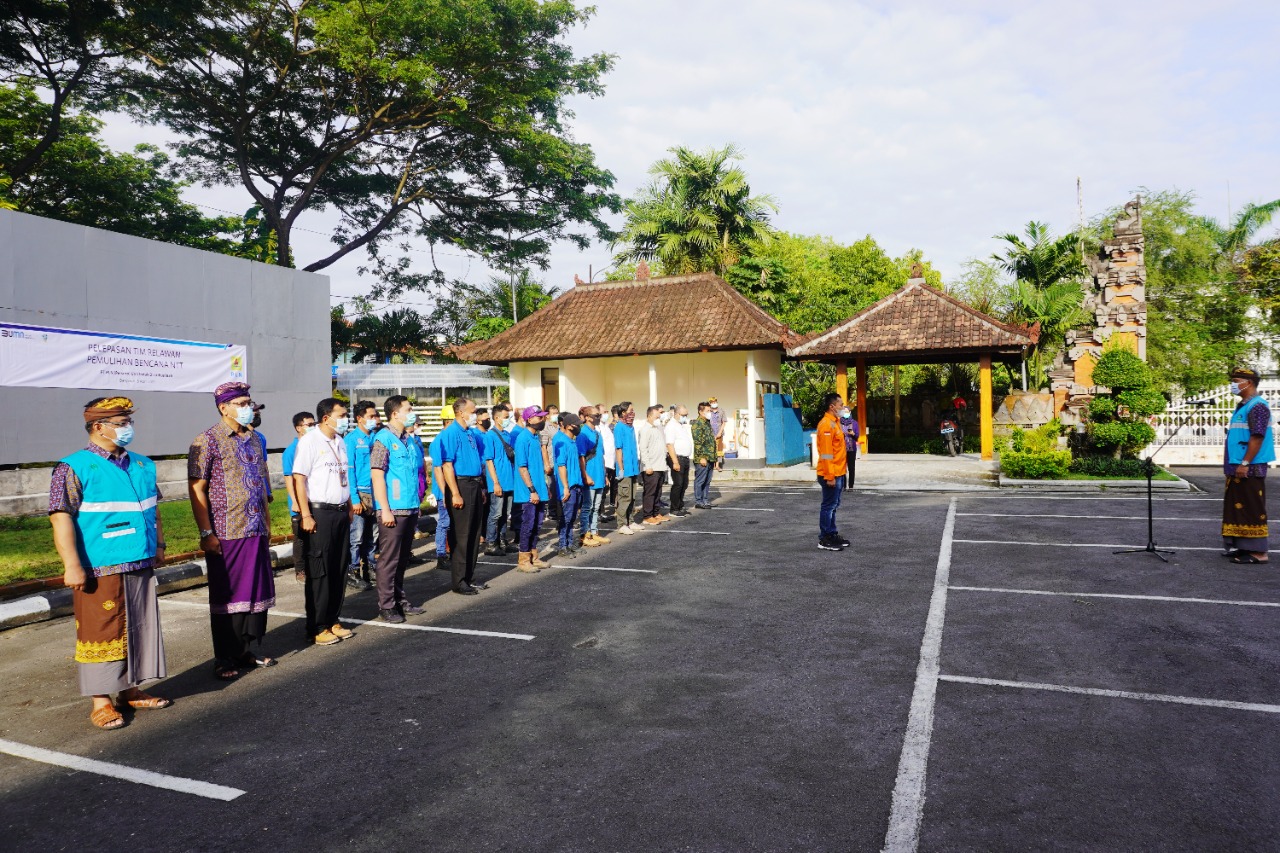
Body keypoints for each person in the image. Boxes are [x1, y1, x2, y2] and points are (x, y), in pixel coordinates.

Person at [50, 397, 171, 730]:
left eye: (128, 420)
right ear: (98, 426)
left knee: (137, 625)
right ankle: (101, 700)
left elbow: (153, 508)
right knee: (101, 629)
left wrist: (159, 544)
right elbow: (61, 517)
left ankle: (130, 689)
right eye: (121, 421)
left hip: (140, 559)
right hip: (100, 564)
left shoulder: (143, 464)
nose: (128, 427)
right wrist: (71, 565)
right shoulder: (73, 467)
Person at [189, 382, 277, 680]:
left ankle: (246, 649)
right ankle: (225, 657)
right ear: (223, 407)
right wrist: (206, 533)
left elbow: (263, 487)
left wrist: (267, 524)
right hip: (226, 530)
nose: (247, 407)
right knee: (228, 595)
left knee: (255, 592)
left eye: (249, 402)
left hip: (255, 528)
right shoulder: (207, 440)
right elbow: (196, 489)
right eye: (241, 402)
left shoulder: (253, 439)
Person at [291, 398, 357, 646]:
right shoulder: (310, 441)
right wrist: (306, 515)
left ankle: (333, 619)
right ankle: (317, 626)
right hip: (320, 513)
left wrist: (349, 505)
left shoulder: (340, 442)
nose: (345, 418)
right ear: (326, 417)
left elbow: (343, 476)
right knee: (321, 570)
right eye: (341, 414)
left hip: (341, 511)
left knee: (339, 567)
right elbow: (299, 479)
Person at [370, 395, 426, 621]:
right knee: (389, 560)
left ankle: (400, 600)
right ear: (395, 414)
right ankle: (387, 606)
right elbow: (377, 475)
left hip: (410, 507)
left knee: (402, 559)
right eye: (409, 409)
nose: (412, 412)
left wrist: (416, 504)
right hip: (393, 510)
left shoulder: (408, 439)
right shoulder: (383, 439)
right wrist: (384, 508)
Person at [1222, 367, 1273, 564]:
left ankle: (1259, 553)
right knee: (1237, 508)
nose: (1233, 384)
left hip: (1250, 467)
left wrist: (1245, 463)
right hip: (1237, 466)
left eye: (1236, 380)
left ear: (1248, 383)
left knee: (1252, 508)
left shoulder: (1258, 406)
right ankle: (1243, 547)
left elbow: (1257, 437)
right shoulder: (1244, 405)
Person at [437, 397, 487, 595]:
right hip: (461, 484)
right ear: (461, 412)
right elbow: (447, 465)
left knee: (474, 533)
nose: (475, 414)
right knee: (462, 535)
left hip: (474, 484)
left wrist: (482, 488)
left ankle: (469, 576)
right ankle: (459, 581)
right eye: (472, 411)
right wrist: (455, 493)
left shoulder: (470, 433)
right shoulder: (451, 433)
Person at [344, 400, 380, 591]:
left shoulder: (375, 438)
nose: (375, 419)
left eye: (376, 415)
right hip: (360, 493)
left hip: (375, 493)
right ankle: (353, 571)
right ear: (359, 418)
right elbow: (349, 471)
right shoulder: (351, 440)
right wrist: (355, 500)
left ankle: (371, 569)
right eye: (371, 416)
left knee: (372, 536)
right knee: (356, 538)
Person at [513, 406, 550, 572]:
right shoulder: (523, 438)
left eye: (542, 417)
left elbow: (538, 466)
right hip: (529, 492)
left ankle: (534, 557)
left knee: (537, 524)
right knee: (528, 525)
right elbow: (522, 468)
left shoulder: (535, 437)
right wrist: (532, 490)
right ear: (529, 419)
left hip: (539, 489)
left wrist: (543, 487)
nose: (542, 420)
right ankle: (523, 559)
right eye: (539, 417)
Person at [282, 411, 316, 584]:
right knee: (300, 538)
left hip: (314, 499)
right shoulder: (291, 451)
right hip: (298, 503)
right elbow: (289, 479)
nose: (313, 427)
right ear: (298, 428)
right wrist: (295, 501)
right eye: (309, 425)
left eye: (313, 424)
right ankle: (300, 570)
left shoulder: (315, 445)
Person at [815, 392, 850, 551]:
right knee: (828, 506)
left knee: (833, 505)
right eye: (841, 405)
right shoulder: (826, 425)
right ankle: (824, 538)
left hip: (838, 472)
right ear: (832, 406)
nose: (843, 407)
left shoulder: (835, 422)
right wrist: (830, 476)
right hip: (831, 473)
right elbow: (827, 454)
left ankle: (832, 533)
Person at [484, 403, 517, 556]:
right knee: (495, 513)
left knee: (505, 514)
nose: (507, 419)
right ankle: (491, 543)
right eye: (505, 417)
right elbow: (489, 460)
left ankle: (502, 541)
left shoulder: (507, 435)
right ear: (496, 418)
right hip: (498, 482)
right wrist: (495, 482)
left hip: (509, 481)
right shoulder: (490, 436)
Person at [552, 411, 586, 557]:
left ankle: (570, 544)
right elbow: (561, 466)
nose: (579, 427)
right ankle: (562, 546)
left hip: (576, 484)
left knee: (572, 517)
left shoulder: (572, 441)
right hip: (569, 486)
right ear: (568, 426)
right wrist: (565, 487)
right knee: (566, 517)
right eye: (576, 425)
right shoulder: (562, 441)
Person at [577, 405, 610, 546]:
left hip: (599, 475)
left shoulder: (597, 433)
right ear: (588, 417)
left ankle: (594, 531)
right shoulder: (583, 434)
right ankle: (584, 534)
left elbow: (601, 456)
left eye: (599, 415)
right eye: (596, 415)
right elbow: (581, 458)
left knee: (596, 507)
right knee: (587, 507)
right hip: (589, 477)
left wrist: (605, 474)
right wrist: (585, 476)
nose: (599, 417)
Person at [428, 404, 452, 572]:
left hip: (453, 489)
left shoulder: (451, 438)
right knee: (444, 522)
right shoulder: (440, 441)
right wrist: (443, 492)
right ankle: (441, 555)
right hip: (444, 490)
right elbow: (439, 469)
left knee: (452, 523)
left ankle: (450, 552)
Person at [613, 402, 642, 534]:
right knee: (624, 496)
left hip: (633, 467)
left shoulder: (631, 427)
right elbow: (618, 449)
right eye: (630, 410)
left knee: (632, 496)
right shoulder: (619, 427)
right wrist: (621, 468)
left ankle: (630, 521)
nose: (633, 413)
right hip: (625, 468)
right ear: (623, 412)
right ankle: (622, 524)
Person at [638, 404, 670, 526]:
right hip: (651, 467)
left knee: (658, 492)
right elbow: (643, 448)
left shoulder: (657, 428)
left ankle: (656, 513)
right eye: (659, 414)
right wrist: (647, 465)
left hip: (660, 466)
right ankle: (647, 516)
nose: (661, 416)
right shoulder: (645, 429)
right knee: (650, 492)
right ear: (651, 414)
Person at [665, 404, 694, 516]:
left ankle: (680, 505)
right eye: (683, 415)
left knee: (684, 484)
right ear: (676, 414)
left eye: (686, 415)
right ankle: (674, 508)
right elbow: (669, 444)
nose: (685, 417)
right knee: (678, 483)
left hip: (685, 458)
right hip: (677, 458)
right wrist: (675, 461)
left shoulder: (680, 425)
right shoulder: (671, 425)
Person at [691, 402, 717, 509]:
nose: (710, 413)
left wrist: (714, 457)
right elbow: (698, 442)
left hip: (710, 457)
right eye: (707, 411)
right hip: (703, 458)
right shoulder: (698, 424)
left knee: (707, 481)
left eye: (710, 411)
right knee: (700, 480)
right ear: (700, 412)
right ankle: (699, 501)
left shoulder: (707, 423)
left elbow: (710, 441)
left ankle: (705, 500)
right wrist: (702, 457)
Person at [597, 402, 618, 520]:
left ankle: (601, 511)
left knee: (606, 489)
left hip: (610, 462)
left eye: (606, 412)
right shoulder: (597, 427)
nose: (606, 414)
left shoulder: (605, 426)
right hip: (603, 462)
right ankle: (599, 513)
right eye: (604, 412)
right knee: (602, 488)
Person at [542, 405, 562, 524]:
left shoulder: (559, 426)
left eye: (557, 412)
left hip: (560, 461)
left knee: (558, 487)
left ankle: (558, 509)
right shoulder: (545, 427)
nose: (556, 414)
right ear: (547, 415)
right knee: (552, 487)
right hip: (551, 461)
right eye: (553, 413)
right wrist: (546, 464)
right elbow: (543, 447)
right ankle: (552, 510)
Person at [839, 405, 860, 491]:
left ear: (850, 412)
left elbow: (857, 436)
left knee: (851, 467)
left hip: (851, 448)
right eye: (844, 412)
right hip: (841, 448)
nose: (845, 413)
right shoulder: (839, 423)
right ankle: (843, 486)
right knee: (842, 468)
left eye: (847, 412)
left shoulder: (854, 423)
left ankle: (851, 486)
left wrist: (853, 434)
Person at [708, 397, 726, 470]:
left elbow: (724, 422)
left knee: (719, 450)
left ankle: (717, 465)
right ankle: (711, 465)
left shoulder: (721, 411)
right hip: (710, 433)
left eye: (715, 402)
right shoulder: (708, 411)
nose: (714, 403)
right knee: (711, 449)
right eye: (712, 402)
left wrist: (719, 432)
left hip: (719, 433)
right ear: (710, 403)